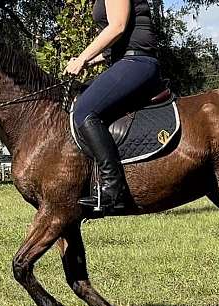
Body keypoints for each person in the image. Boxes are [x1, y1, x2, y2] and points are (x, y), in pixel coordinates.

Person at [64, 0, 160, 212]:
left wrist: (82, 58)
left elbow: (117, 27)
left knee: (84, 111)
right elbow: (117, 44)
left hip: (137, 61)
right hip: (124, 61)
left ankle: (113, 190)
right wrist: (90, 61)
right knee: (77, 98)